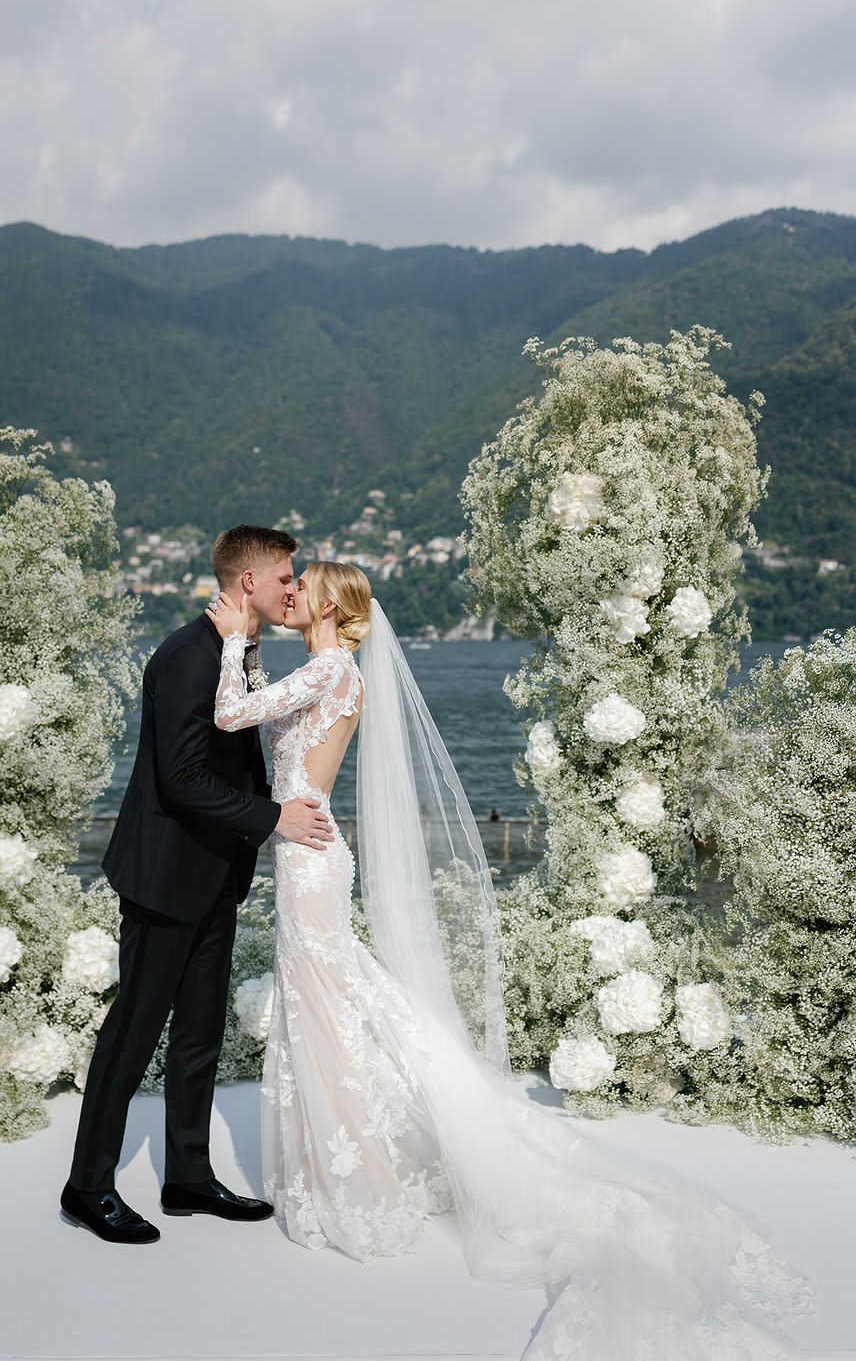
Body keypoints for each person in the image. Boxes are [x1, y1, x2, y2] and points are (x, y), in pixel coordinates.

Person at [206, 561, 811, 1360]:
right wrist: (252, 659)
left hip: (310, 861)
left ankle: (358, 1184)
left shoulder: (326, 668)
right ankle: (351, 1164)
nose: (292, 592)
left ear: (325, 605)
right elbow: (267, 729)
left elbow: (227, 717)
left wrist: (232, 642)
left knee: (327, 1012)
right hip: (308, 851)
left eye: (303, 583)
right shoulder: (332, 671)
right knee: (333, 1006)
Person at [60, 526, 334, 1245]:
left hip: (216, 872)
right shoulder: (187, 656)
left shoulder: (235, 651)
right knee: (132, 1034)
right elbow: (180, 778)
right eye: (284, 577)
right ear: (249, 582)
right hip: (164, 876)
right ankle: (87, 1186)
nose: (292, 587)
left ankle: (187, 1173)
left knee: (200, 1033)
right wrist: (274, 816)